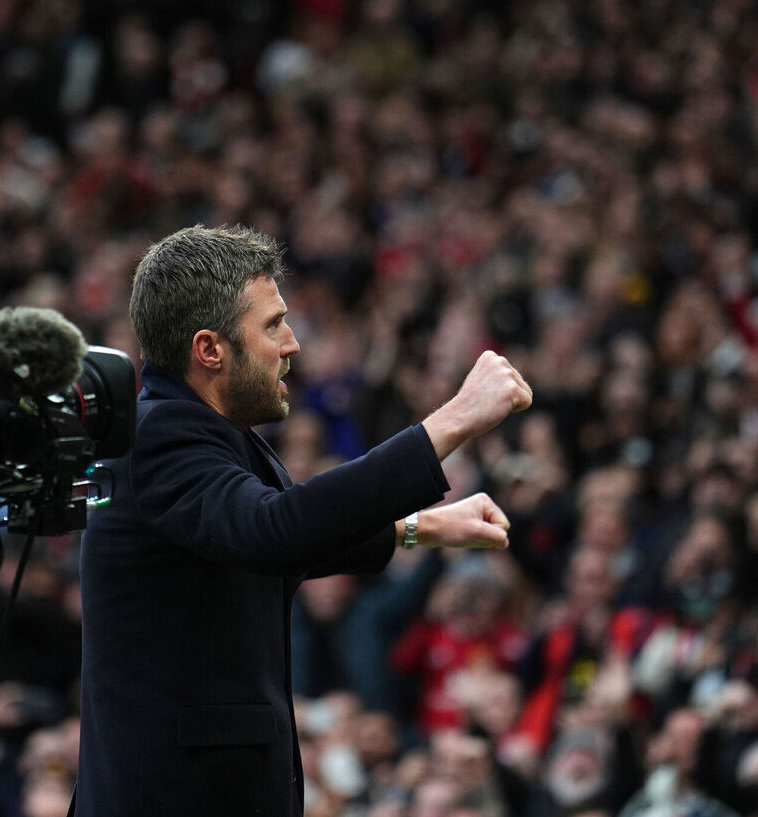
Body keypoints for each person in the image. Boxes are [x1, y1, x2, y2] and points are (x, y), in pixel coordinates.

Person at [76, 225, 532, 817]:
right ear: (209, 349)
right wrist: (452, 421)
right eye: (272, 325)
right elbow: (275, 530)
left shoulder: (206, 431)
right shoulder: (161, 435)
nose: (291, 343)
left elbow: (273, 542)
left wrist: (421, 527)